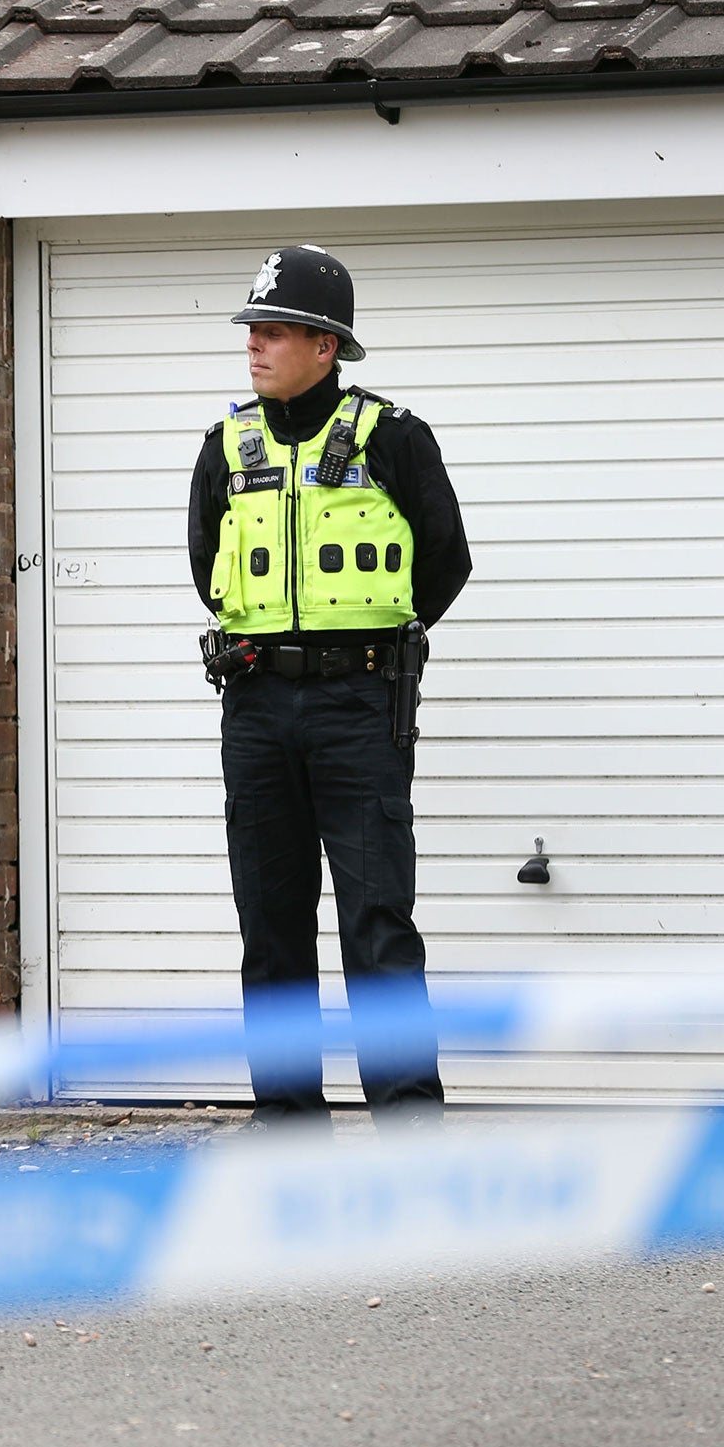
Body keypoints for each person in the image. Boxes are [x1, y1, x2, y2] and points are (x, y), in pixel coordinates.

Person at [185, 245, 472, 1129]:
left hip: (360, 706)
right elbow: (208, 567)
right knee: (270, 926)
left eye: (273, 332)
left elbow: (447, 563)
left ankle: (409, 1125)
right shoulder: (225, 445)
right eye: (252, 331)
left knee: (377, 924)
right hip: (257, 704)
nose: (255, 347)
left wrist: (361, 650)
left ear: (326, 344)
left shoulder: (394, 437)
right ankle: (288, 1127)